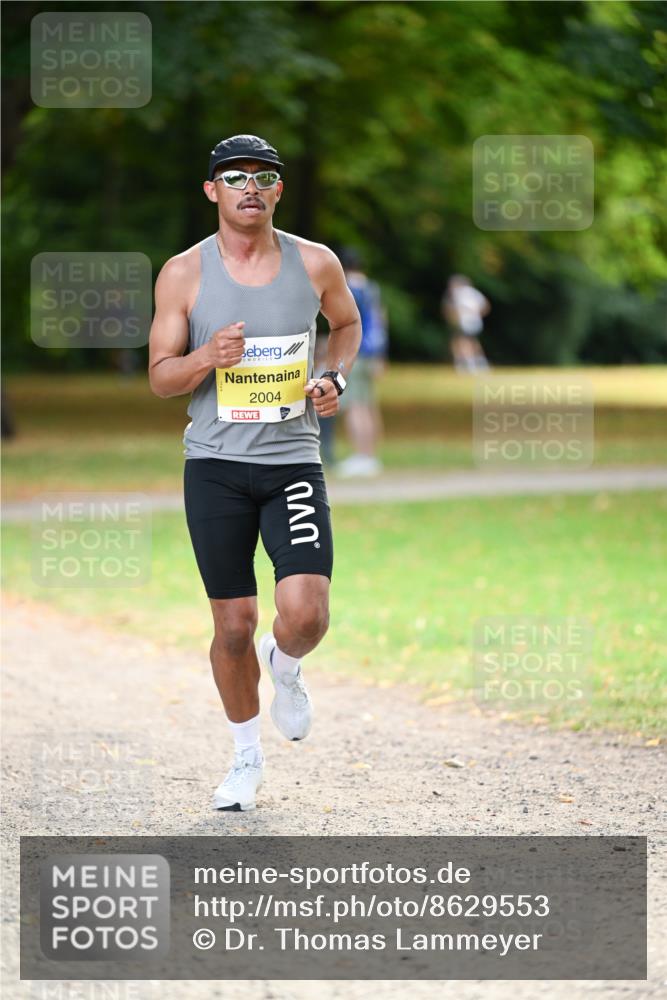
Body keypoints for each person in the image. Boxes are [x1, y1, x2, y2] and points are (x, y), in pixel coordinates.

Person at [148, 134, 361, 811]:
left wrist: (333, 377)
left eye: (263, 177)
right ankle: (245, 757)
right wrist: (207, 355)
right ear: (212, 190)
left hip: (293, 460)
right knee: (232, 625)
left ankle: (287, 665)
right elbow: (160, 378)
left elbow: (346, 325)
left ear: (276, 190)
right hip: (214, 466)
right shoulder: (184, 273)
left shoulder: (315, 262)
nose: (250, 187)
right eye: (234, 177)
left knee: (306, 614)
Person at [335, 248, 388, 477]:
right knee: (368, 405)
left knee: (355, 405)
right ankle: (371, 455)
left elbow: (345, 321)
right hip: (373, 351)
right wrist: (381, 354)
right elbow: (380, 320)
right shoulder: (371, 287)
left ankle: (361, 456)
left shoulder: (349, 288)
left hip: (356, 350)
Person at [442, 274, 491, 373]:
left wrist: (453, 318)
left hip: (464, 322)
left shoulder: (457, 293)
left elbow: (450, 309)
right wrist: (477, 314)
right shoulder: (474, 292)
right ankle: (481, 363)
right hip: (476, 322)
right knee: (473, 341)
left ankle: (466, 364)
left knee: (462, 342)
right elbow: (486, 306)